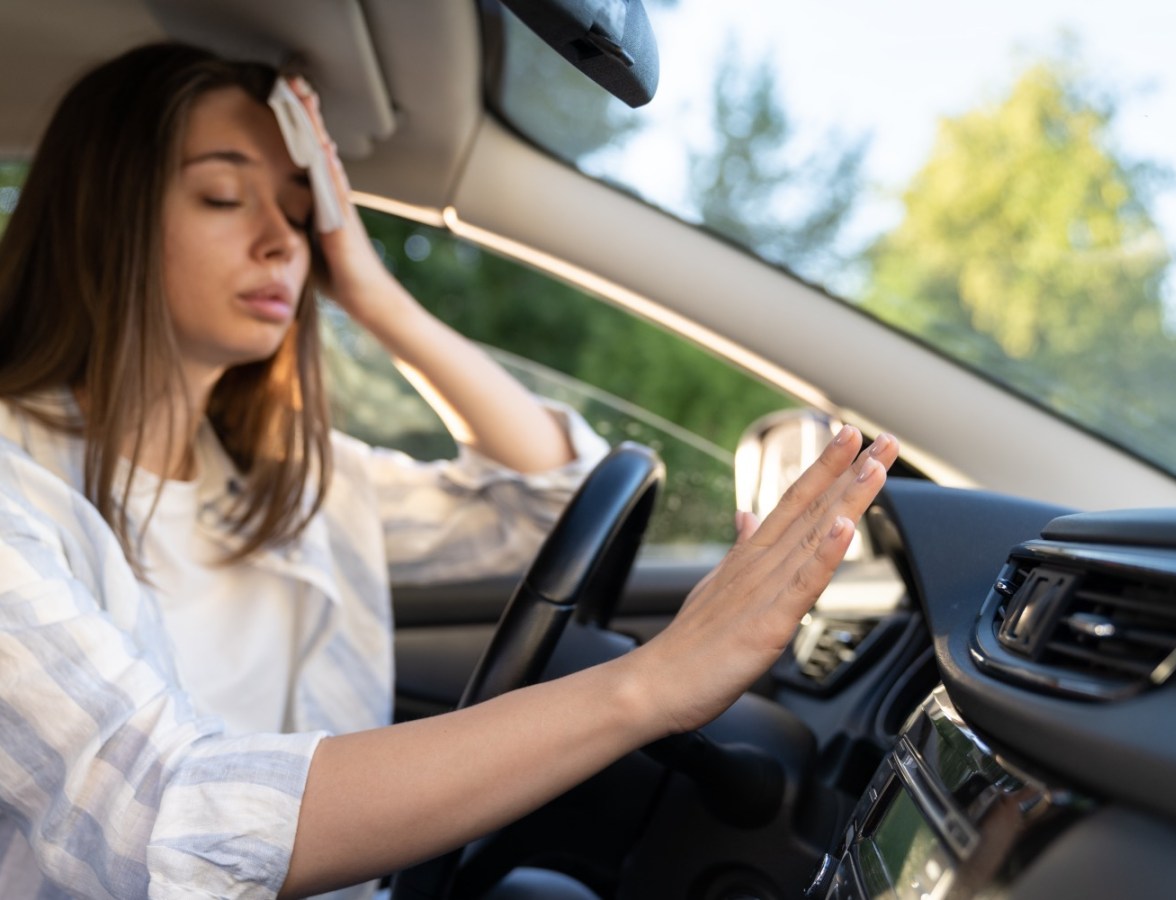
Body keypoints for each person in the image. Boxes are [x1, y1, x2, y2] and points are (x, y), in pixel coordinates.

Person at [0, 41, 898, 900]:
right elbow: (162, 814)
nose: (285, 240)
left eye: (301, 208)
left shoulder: (295, 484)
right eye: (225, 197)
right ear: (103, 213)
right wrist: (649, 685)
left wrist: (371, 287)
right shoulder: (14, 484)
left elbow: (548, 501)